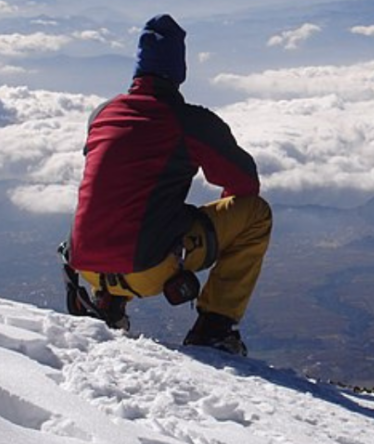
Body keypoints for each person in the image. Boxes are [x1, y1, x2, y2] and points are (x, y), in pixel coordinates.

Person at [62, 13, 271, 357]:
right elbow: (245, 184)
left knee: (125, 208)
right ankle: (214, 329)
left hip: (87, 267)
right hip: (150, 268)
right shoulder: (189, 121)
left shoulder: (102, 115)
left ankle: (109, 305)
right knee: (257, 215)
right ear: (180, 68)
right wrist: (206, 228)